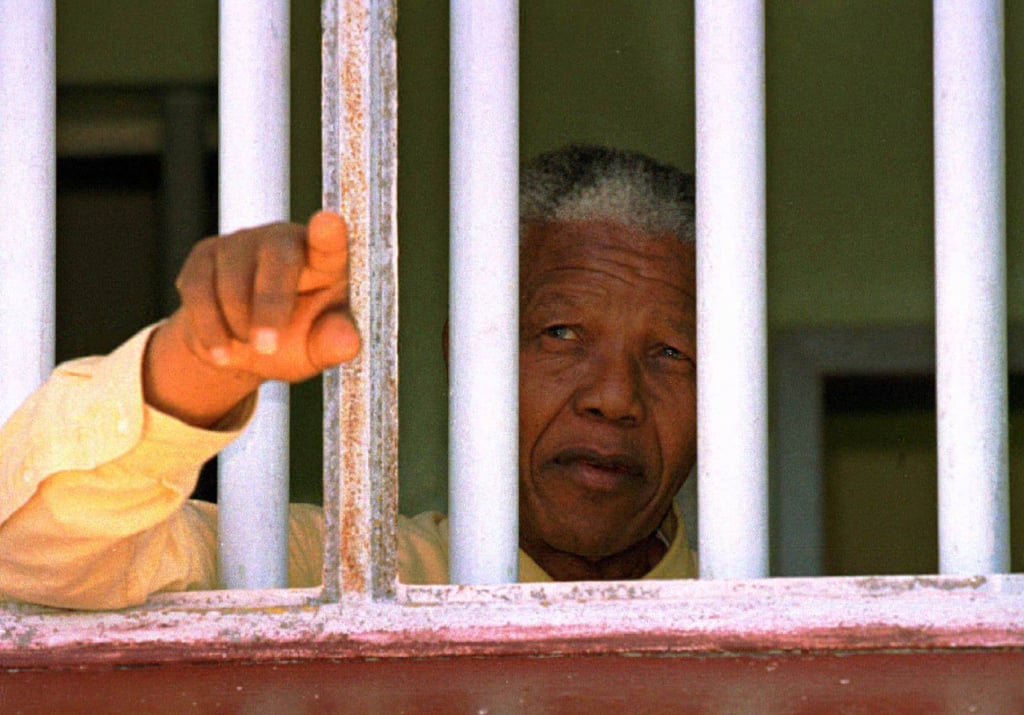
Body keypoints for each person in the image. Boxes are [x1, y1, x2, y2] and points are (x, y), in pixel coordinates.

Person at [0, 145, 698, 610]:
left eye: (670, 352)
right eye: (561, 334)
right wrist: (200, 361)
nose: (614, 397)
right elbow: (37, 554)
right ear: (471, 358)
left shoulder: (768, 601)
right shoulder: (330, 574)